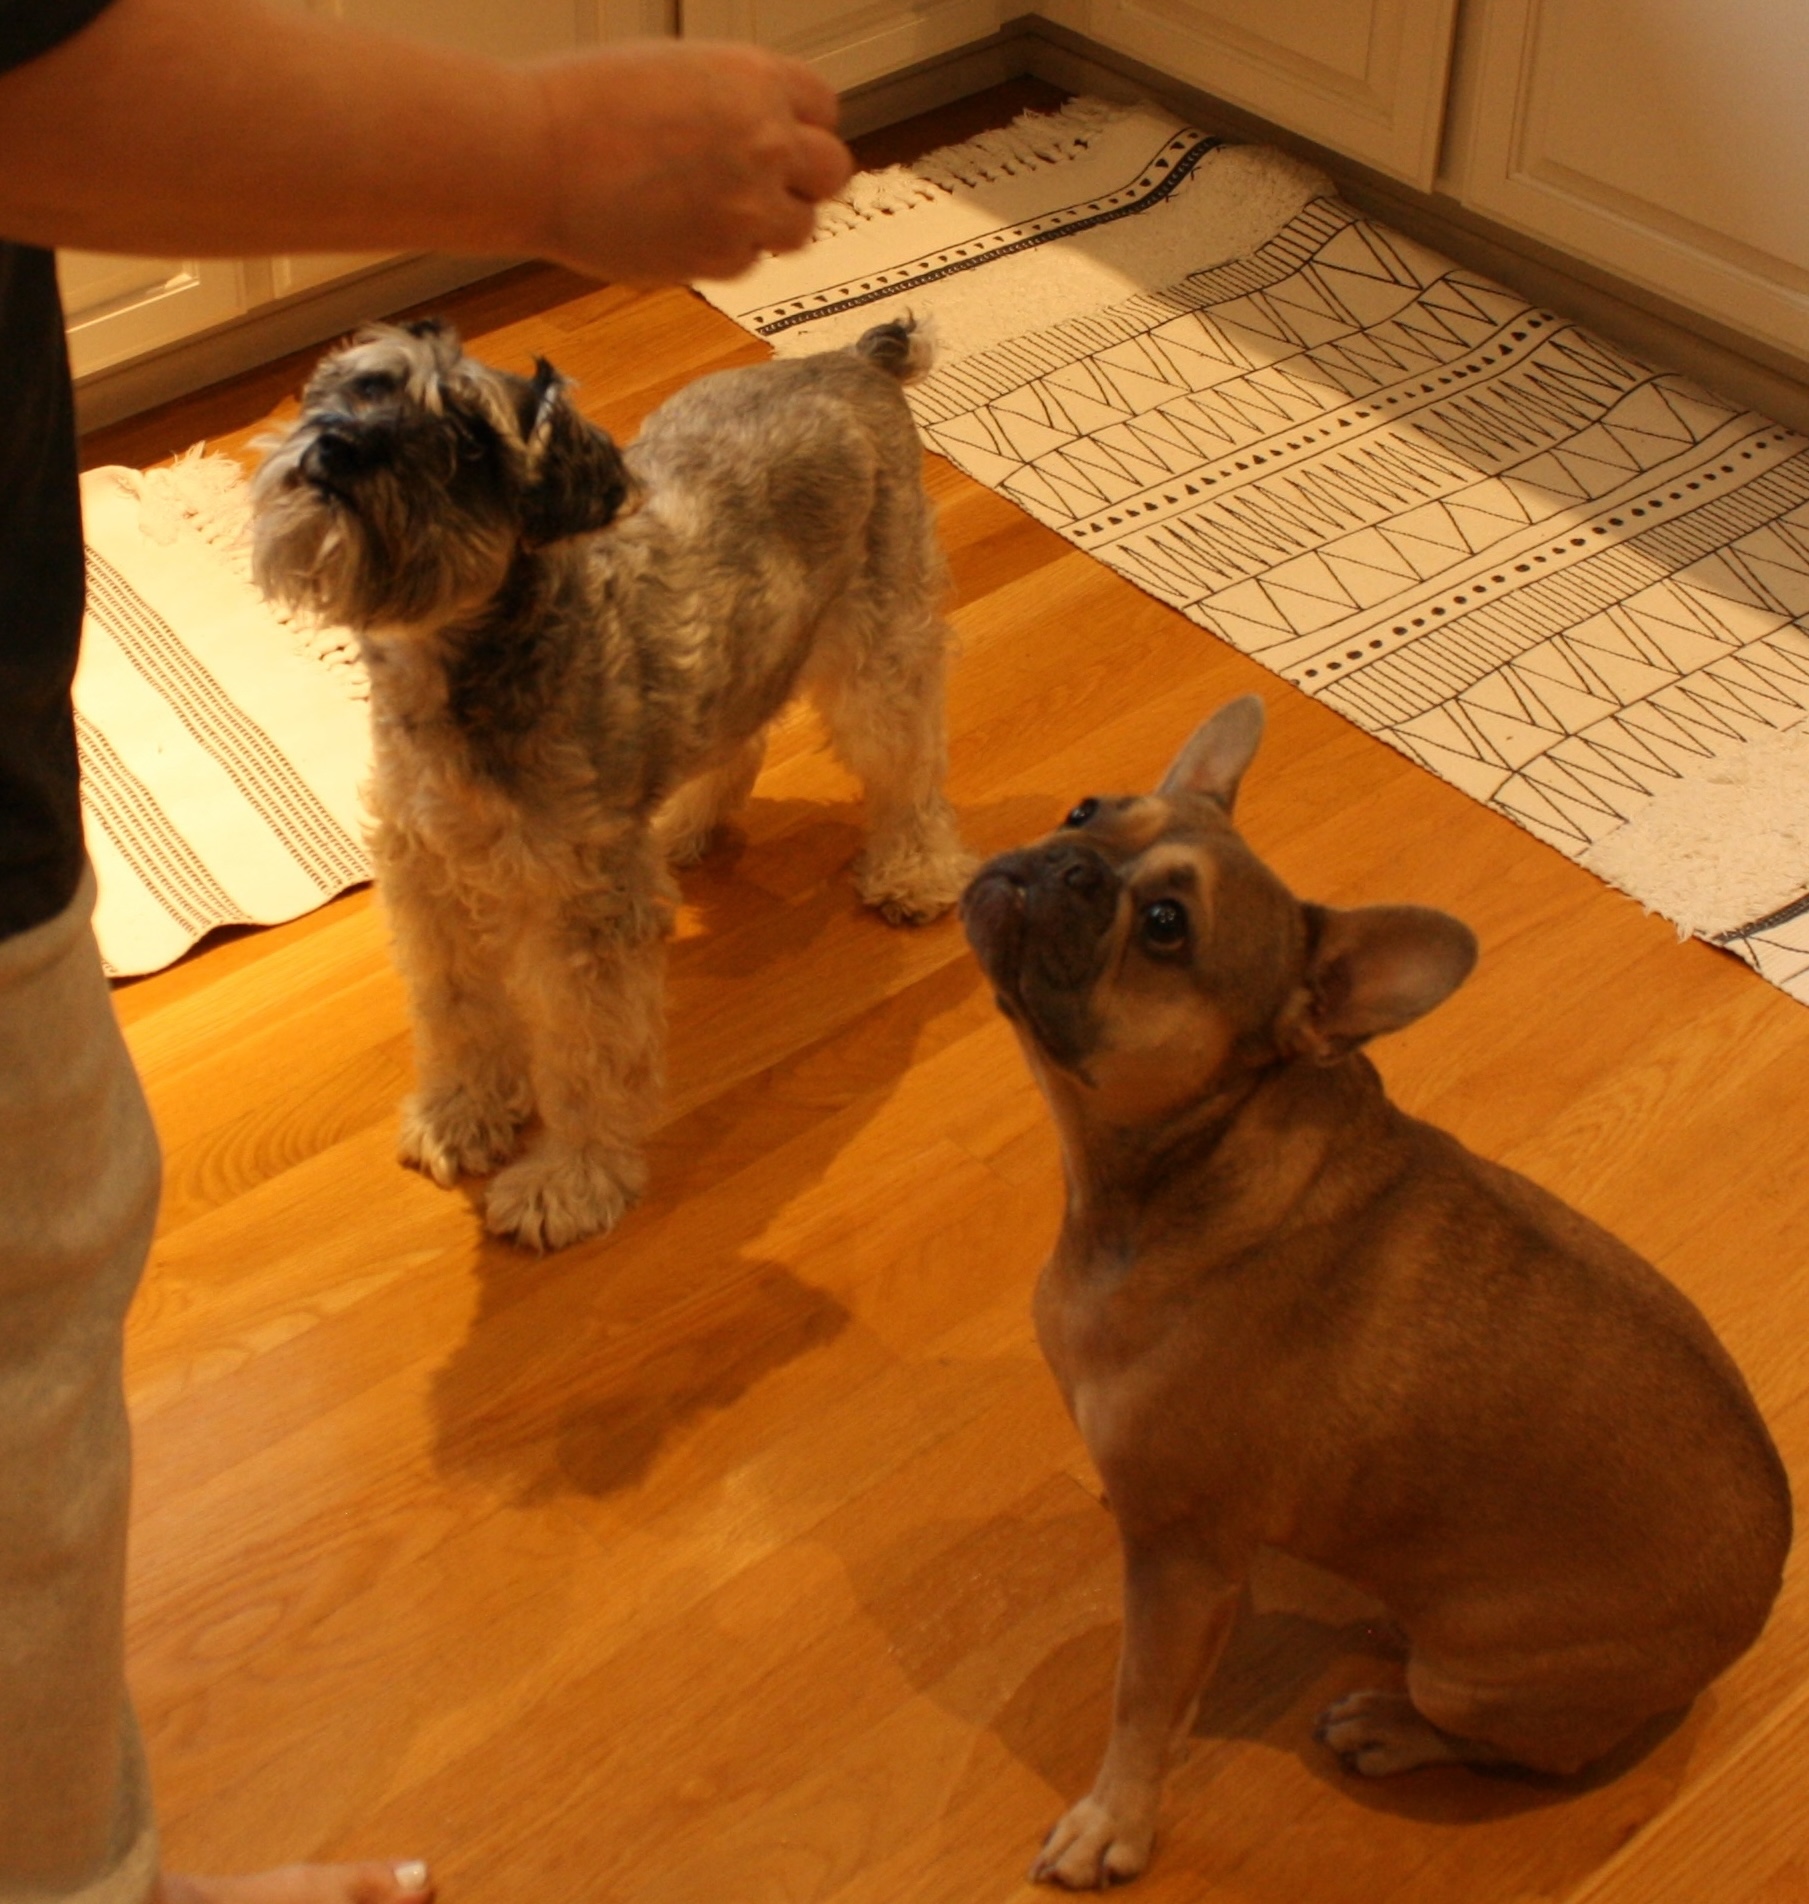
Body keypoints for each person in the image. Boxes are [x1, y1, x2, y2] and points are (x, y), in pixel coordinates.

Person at [0, 6, 853, 1902]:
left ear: (518, 515)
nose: (323, 457)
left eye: (410, 447)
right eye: (339, 409)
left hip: (659, 628)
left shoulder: (569, 571)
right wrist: (534, 152)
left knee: (600, 896)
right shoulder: (412, 662)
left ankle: (589, 1131)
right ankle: (482, 1084)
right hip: (432, 705)